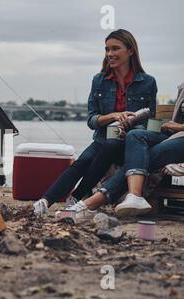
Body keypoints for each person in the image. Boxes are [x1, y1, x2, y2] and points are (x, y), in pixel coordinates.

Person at [33, 29, 157, 215]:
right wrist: (114, 116)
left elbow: (152, 123)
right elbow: (92, 119)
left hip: (130, 145)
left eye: (115, 49)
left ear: (130, 51)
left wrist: (131, 123)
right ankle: (45, 201)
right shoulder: (99, 81)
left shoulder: (148, 82)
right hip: (103, 140)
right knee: (85, 159)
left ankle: (73, 197)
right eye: (107, 49)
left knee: (105, 147)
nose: (110, 54)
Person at [67, 84, 184, 218]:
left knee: (149, 155)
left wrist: (180, 127)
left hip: (180, 135)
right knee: (134, 135)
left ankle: (93, 203)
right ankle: (133, 197)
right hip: (176, 135)